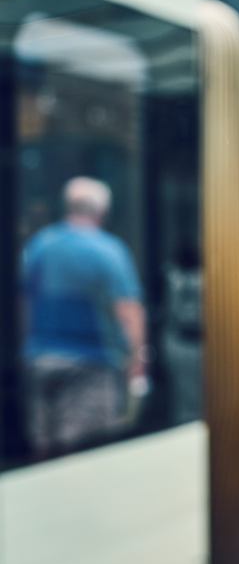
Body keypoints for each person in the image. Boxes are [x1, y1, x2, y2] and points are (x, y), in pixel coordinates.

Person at [21, 176, 145, 457]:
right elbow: (129, 312)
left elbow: (24, 305)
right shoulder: (108, 250)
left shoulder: (38, 245)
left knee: (44, 446)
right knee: (85, 453)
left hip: (40, 359)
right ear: (102, 211)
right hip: (90, 362)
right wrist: (136, 362)